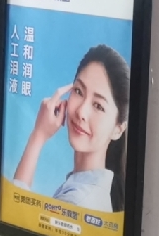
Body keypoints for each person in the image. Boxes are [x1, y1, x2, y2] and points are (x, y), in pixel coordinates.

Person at [14, 45, 131, 212]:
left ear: (118, 129)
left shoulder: (77, 202)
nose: (81, 112)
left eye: (98, 106)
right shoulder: (86, 190)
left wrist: (38, 136)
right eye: (78, 91)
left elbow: (16, 212)